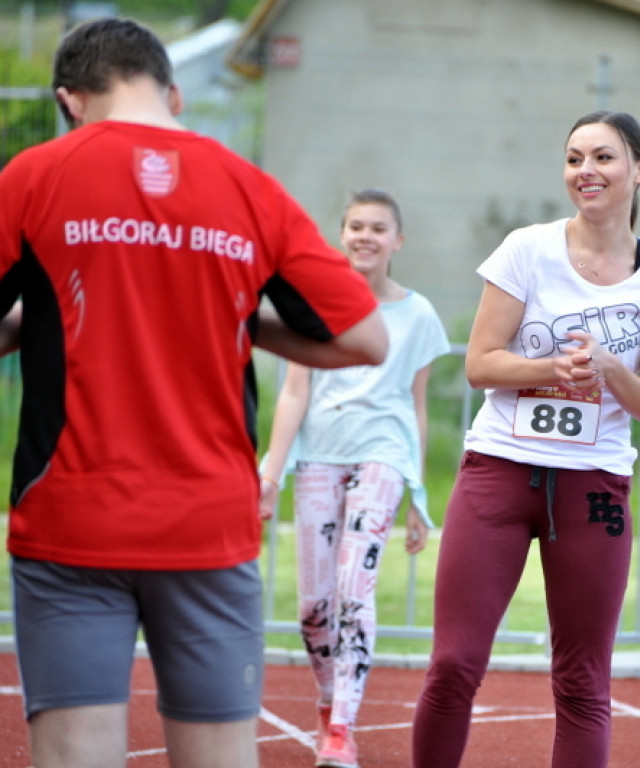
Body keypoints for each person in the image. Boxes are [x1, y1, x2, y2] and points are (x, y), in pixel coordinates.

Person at [0, 18, 387, 768]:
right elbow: (365, 338)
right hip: (208, 524)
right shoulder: (248, 187)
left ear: (69, 100)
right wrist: (239, 317)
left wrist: (23, 326)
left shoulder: (34, 174)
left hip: (74, 519)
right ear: (172, 94)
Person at [410, 110, 640, 768]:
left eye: (603, 157)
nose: (585, 172)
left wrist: (609, 368)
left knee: (582, 681)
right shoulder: (527, 249)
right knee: (454, 662)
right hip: (500, 473)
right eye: (574, 158)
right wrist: (550, 369)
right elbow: (480, 362)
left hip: (593, 486)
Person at [258, 188, 449, 768]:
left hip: (383, 455)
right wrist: (271, 470)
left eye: (378, 228)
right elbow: (295, 390)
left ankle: (342, 725)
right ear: (342, 235)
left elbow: (416, 408)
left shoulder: (418, 314)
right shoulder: (314, 303)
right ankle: (327, 698)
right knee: (314, 607)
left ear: (398, 240)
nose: (366, 236)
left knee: (352, 586)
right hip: (319, 456)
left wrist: (417, 495)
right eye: (356, 226)